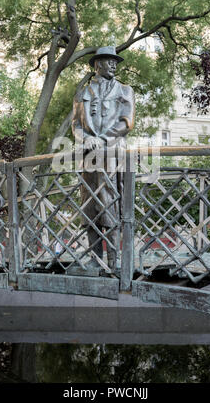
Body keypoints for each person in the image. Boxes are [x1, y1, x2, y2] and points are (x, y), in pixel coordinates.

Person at [72, 46, 135, 272]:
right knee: (89, 207)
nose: (114, 66)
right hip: (88, 156)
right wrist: (86, 138)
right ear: (97, 64)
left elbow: (127, 122)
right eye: (109, 61)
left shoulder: (124, 90)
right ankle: (95, 259)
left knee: (111, 205)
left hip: (113, 154)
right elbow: (76, 125)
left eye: (115, 62)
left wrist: (103, 139)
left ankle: (113, 262)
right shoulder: (82, 93)